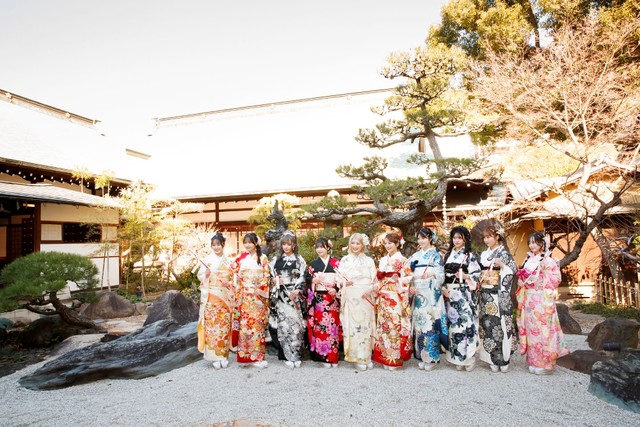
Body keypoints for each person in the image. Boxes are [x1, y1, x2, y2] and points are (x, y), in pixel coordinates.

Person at [516, 232, 570, 374]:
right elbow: (523, 276)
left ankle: (546, 364)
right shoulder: (528, 259)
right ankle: (534, 361)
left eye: (535, 242)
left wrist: (544, 271)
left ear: (542, 244)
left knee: (543, 330)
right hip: (529, 299)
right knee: (531, 330)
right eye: (530, 242)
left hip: (541, 299)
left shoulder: (548, 260)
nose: (532, 245)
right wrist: (520, 281)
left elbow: (555, 279)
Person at [477, 220, 518, 373]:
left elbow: (512, 270)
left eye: (489, 237)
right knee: (488, 325)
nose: (486, 240)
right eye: (484, 237)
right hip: (485, 294)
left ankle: (504, 358)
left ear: (497, 237)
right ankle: (491, 358)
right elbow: (478, 273)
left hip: (499, 294)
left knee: (500, 326)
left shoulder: (504, 254)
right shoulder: (484, 254)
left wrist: (502, 265)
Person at [442, 226, 481, 372]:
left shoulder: (469, 255)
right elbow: (442, 274)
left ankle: (469, 358)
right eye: (454, 238)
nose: (456, 240)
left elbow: (477, 274)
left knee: (466, 323)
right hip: (450, 293)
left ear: (465, 239)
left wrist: (466, 276)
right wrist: (443, 288)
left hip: (463, 292)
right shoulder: (448, 255)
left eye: (459, 238)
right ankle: (457, 358)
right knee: (453, 324)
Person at [407, 227, 447, 371]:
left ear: (430, 238)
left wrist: (432, 274)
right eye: (419, 238)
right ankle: (421, 356)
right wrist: (410, 287)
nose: (421, 241)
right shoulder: (415, 255)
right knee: (419, 325)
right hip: (418, 293)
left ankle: (432, 357)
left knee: (430, 324)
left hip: (430, 293)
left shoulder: (435, 255)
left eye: (423, 238)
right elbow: (408, 274)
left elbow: (441, 276)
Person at [372, 232, 413, 370]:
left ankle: (394, 358)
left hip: (395, 295)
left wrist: (399, 279)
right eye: (386, 243)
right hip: (383, 295)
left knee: (394, 325)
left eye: (390, 243)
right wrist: (376, 287)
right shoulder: (383, 260)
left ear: (397, 244)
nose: (388, 246)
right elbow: (378, 278)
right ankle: (385, 356)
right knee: (384, 326)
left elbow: (408, 277)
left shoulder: (402, 259)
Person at [231, 232, 271, 368]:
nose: (247, 245)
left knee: (257, 327)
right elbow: (233, 273)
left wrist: (260, 289)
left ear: (256, 243)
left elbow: (266, 275)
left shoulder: (263, 258)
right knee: (245, 327)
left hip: (258, 296)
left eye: (250, 242)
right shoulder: (240, 258)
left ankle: (257, 357)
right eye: (245, 242)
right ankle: (245, 357)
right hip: (245, 297)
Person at [339, 233, 378, 371]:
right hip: (351, 296)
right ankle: (357, 356)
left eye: (358, 243)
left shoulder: (368, 260)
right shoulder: (345, 260)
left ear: (362, 245)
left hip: (365, 295)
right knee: (354, 327)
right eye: (353, 243)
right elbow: (339, 279)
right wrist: (344, 282)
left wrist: (371, 289)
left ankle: (366, 356)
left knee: (366, 326)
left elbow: (375, 279)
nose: (355, 246)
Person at [196, 233, 234, 369]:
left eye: (218, 244)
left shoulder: (229, 261)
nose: (216, 247)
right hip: (211, 296)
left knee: (224, 326)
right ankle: (214, 357)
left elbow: (234, 278)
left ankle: (223, 355)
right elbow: (200, 276)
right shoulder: (207, 260)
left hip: (225, 297)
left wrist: (230, 284)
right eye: (214, 245)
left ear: (223, 245)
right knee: (212, 326)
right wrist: (205, 275)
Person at [269, 231, 307, 369]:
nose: (286, 247)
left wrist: (297, 290)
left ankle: (296, 355)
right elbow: (271, 275)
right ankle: (286, 355)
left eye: (289, 244)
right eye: (284, 244)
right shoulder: (276, 260)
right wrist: (274, 280)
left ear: (294, 245)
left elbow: (303, 276)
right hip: (282, 296)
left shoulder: (299, 260)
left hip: (294, 295)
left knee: (296, 327)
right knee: (284, 326)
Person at [305, 237, 342, 368]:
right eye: (317, 247)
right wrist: (312, 281)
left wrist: (336, 288)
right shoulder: (313, 264)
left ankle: (333, 357)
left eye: (322, 247)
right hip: (319, 300)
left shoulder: (336, 263)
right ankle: (323, 357)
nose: (319, 249)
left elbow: (341, 279)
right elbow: (307, 280)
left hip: (332, 299)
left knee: (333, 328)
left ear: (328, 247)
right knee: (321, 328)